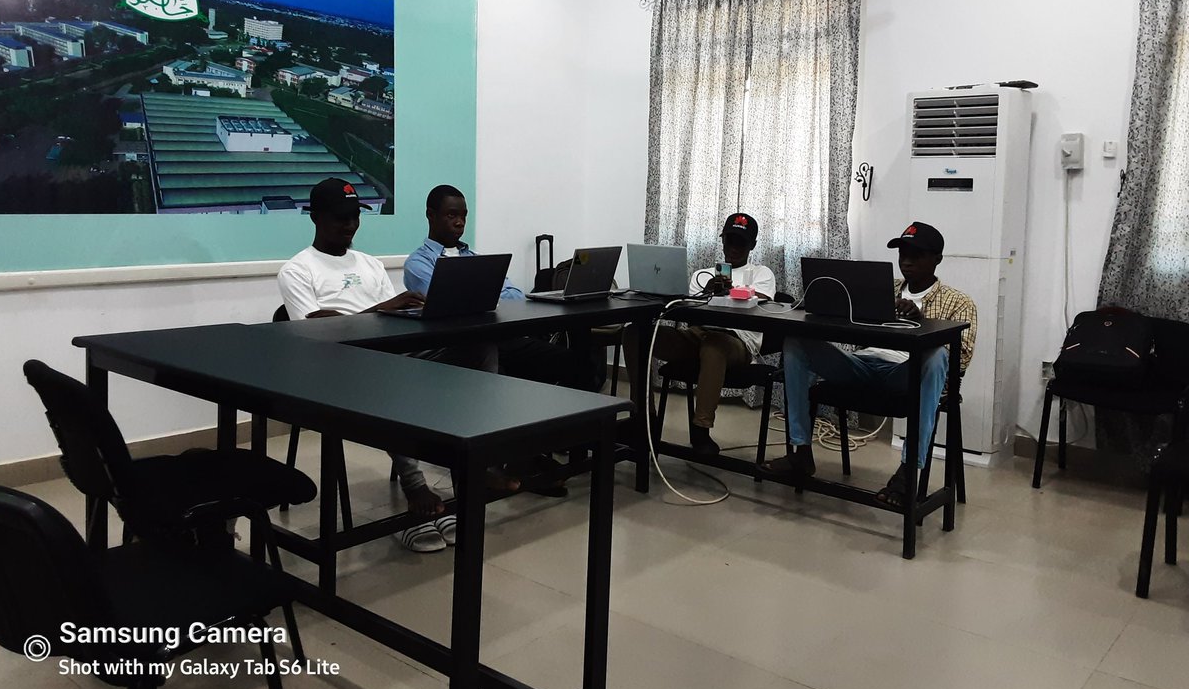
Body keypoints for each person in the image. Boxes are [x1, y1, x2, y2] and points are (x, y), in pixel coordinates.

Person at [277, 177, 456, 553]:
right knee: (391, 376)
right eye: (340, 217)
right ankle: (414, 485)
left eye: (354, 216)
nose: (349, 225)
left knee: (473, 353)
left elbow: (398, 314)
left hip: (393, 356)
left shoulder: (370, 264)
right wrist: (380, 309)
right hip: (335, 370)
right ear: (315, 217)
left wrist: (413, 309)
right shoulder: (297, 270)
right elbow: (318, 328)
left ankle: (470, 470)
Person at [760, 221, 978, 508]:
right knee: (795, 342)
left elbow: (958, 359)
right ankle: (800, 451)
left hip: (906, 375)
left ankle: (909, 471)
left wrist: (922, 323)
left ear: (937, 259)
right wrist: (822, 307)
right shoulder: (880, 289)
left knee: (937, 357)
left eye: (917, 253)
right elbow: (848, 326)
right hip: (862, 364)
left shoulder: (959, 302)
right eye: (902, 253)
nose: (906, 260)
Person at [404, 184, 595, 493]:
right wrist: (486, 295)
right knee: (503, 377)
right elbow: (443, 299)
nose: (459, 222)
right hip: (459, 349)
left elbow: (514, 293)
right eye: (451, 215)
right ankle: (521, 457)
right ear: (431, 216)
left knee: (579, 365)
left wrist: (484, 294)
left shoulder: (474, 257)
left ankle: (537, 451)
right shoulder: (418, 263)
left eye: (463, 216)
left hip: (503, 338)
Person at [623, 213, 776, 454]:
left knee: (714, 346)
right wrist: (705, 294)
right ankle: (643, 417)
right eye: (729, 241)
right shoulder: (703, 275)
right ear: (722, 241)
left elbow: (761, 302)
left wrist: (730, 291)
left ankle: (701, 428)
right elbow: (690, 311)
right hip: (698, 335)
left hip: (738, 342)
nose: (734, 248)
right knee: (635, 333)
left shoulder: (761, 274)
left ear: (752, 246)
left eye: (741, 243)